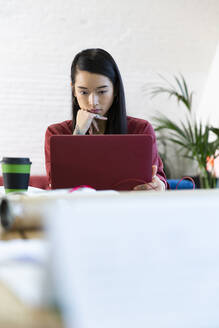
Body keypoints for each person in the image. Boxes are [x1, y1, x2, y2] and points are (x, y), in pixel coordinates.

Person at [45, 48, 167, 190]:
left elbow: (158, 177)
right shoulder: (56, 133)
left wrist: (159, 186)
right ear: (73, 90)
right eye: (83, 92)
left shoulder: (141, 130)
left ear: (115, 90)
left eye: (102, 91)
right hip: (76, 210)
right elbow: (57, 185)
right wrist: (78, 133)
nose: (93, 101)